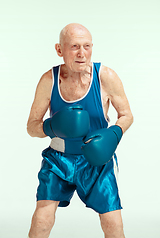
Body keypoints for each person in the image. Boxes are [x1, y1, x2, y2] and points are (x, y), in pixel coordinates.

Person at [27, 23, 133, 238]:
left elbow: (127, 115)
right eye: (74, 46)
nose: (82, 53)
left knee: (113, 224)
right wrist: (51, 126)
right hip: (58, 160)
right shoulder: (49, 80)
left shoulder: (106, 76)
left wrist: (113, 134)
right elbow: (31, 127)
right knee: (42, 219)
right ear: (60, 50)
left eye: (87, 46)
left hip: (97, 162)